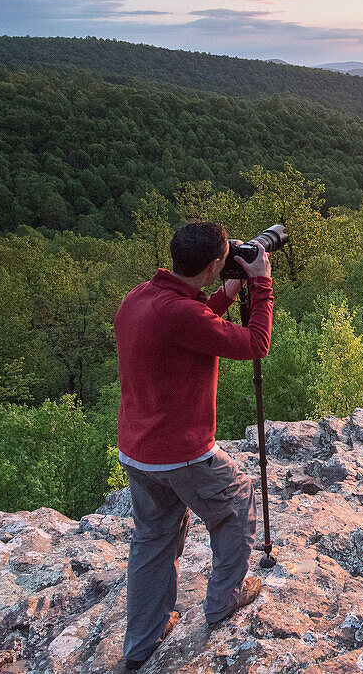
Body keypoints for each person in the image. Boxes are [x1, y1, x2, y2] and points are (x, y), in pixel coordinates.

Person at [114, 220, 275, 670]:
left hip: (137, 449)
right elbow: (255, 343)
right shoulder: (183, 315)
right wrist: (260, 285)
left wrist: (223, 295)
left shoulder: (138, 299)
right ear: (210, 265)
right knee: (238, 501)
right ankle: (225, 600)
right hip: (181, 451)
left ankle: (142, 644)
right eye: (223, 257)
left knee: (154, 540)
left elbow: (188, 328)